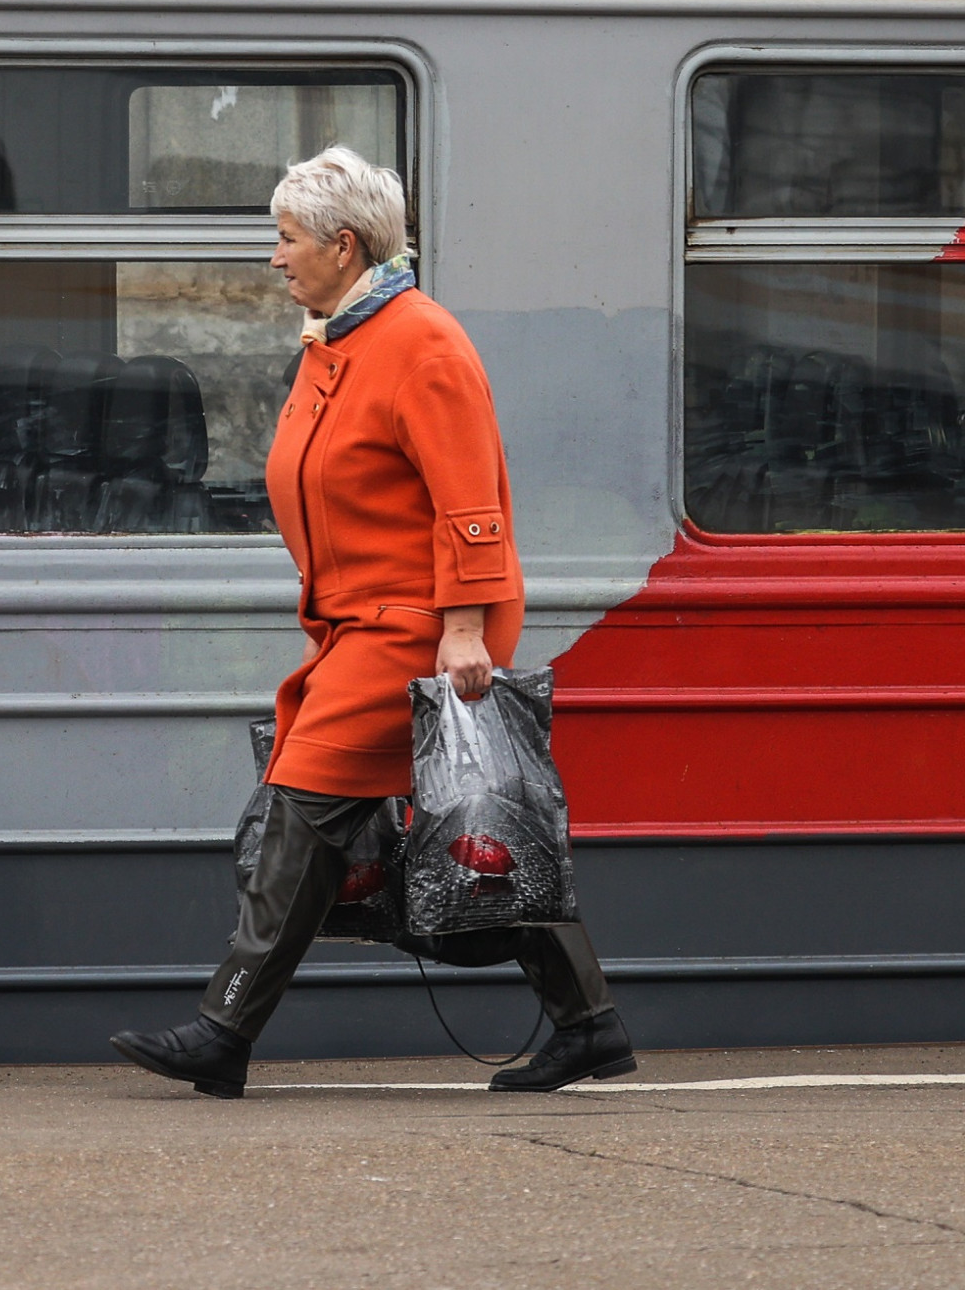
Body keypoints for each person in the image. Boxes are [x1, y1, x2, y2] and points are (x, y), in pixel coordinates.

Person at [110, 146, 634, 1099]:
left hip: (422, 621)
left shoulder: (421, 344)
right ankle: (590, 1024)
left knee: (303, 809)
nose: (276, 257)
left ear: (343, 246)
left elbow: (469, 501)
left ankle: (224, 1028)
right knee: (464, 824)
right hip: (356, 622)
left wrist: (466, 627)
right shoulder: (339, 340)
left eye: (288, 238)